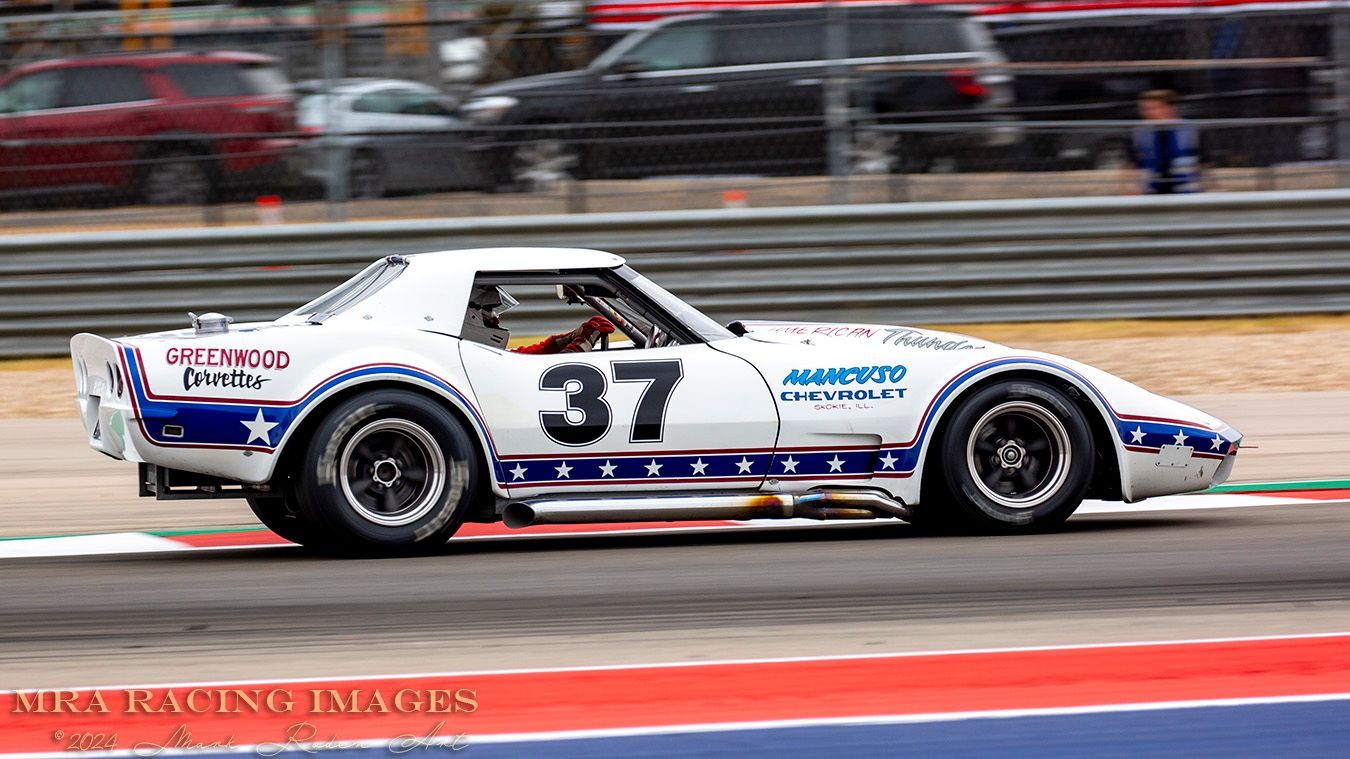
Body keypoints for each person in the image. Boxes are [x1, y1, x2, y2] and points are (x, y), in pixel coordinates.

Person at [463, 284, 615, 353]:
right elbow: (559, 370)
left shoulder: (477, 355)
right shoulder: (477, 360)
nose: (496, 319)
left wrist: (571, 338)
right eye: (489, 310)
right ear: (470, 314)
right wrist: (584, 342)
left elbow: (524, 356)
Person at [1129, 90, 1202, 194]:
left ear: (1169, 108)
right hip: (1152, 193)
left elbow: (1203, 163)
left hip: (1186, 193)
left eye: (1152, 108)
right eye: (1143, 109)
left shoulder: (1191, 130)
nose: (1146, 113)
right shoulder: (1140, 132)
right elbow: (1134, 164)